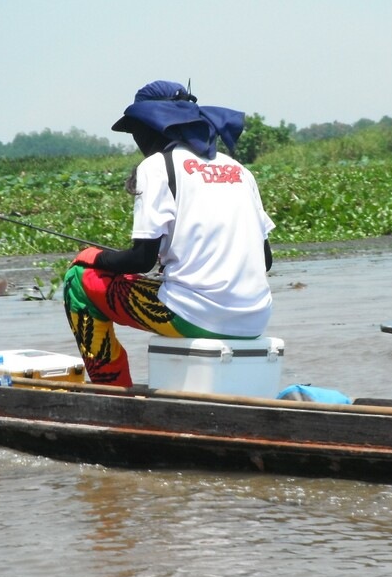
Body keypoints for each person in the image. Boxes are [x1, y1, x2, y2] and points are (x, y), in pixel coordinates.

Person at [63, 80, 275, 388]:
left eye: (136, 129)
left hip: (197, 316)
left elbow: (141, 260)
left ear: (152, 126)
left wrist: (93, 256)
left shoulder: (156, 167)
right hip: (255, 318)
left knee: (78, 282)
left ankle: (111, 390)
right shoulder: (239, 170)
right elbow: (265, 260)